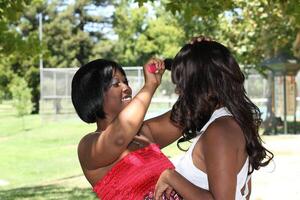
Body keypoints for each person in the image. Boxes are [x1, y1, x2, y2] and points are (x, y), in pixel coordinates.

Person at [154, 39, 274, 200]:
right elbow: (244, 192)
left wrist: (171, 177)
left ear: (199, 85)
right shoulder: (231, 123)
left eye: (182, 85)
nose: (178, 91)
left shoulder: (220, 131)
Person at [71, 58, 183, 199]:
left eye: (126, 82)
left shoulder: (145, 132)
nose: (126, 88)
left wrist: (197, 58)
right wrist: (150, 85)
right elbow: (119, 137)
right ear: (94, 94)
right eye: (116, 83)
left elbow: (190, 111)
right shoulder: (88, 146)